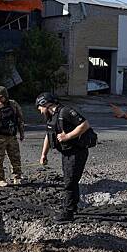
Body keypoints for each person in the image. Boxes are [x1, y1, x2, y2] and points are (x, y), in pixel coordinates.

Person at [36, 92, 90, 223]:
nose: (39, 111)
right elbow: (48, 136)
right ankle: (73, 206)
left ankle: (68, 212)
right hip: (66, 153)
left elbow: (85, 124)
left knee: (69, 182)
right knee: (70, 180)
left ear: (45, 104)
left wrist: (67, 136)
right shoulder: (51, 117)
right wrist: (44, 154)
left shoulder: (65, 111)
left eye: (39, 107)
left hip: (77, 152)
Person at [0, 86, 25, 187]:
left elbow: (20, 119)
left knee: (15, 157)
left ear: (5, 96)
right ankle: (1, 179)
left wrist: (21, 133)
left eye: (0, 97)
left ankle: (17, 177)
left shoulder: (13, 105)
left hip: (11, 136)